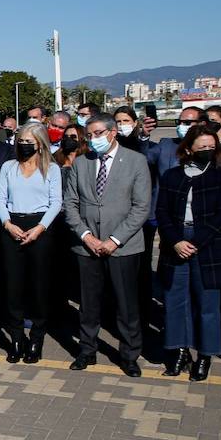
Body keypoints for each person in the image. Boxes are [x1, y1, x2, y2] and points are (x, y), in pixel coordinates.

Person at [63, 115, 152, 375]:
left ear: (113, 133)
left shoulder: (136, 161)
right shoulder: (81, 163)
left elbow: (141, 207)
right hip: (86, 245)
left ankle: (129, 355)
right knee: (89, 304)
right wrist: (86, 236)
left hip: (123, 246)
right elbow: (70, 204)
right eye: (89, 135)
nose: (93, 140)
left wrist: (114, 240)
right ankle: (87, 350)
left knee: (126, 304)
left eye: (97, 134)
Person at [156, 125, 221, 382]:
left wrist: (197, 241)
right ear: (189, 149)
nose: (207, 152)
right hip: (176, 242)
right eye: (202, 148)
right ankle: (179, 351)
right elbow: (162, 211)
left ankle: (205, 355)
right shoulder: (172, 176)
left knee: (207, 304)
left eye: (211, 148)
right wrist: (176, 240)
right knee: (175, 300)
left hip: (208, 245)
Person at [0, 124, 62, 363]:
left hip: (40, 228)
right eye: (20, 140)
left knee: (39, 286)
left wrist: (40, 228)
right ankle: (16, 337)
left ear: (40, 143)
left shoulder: (51, 169)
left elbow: (56, 203)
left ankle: (36, 338)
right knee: (12, 286)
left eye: (28, 141)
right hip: (11, 225)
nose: (23, 144)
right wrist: (7, 224)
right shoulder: (8, 167)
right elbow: (0, 198)